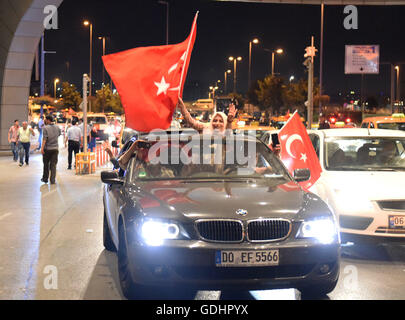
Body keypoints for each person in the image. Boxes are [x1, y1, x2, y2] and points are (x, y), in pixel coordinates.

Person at [41, 115, 61, 184]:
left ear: (48, 120)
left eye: (46, 119)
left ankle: (45, 178)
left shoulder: (45, 128)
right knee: (53, 165)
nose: (45, 121)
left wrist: (42, 148)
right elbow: (59, 134)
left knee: (46, 164)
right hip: (55, 149)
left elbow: (44, 139)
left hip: (47, 149)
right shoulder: (57, 127)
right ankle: (52, 180)